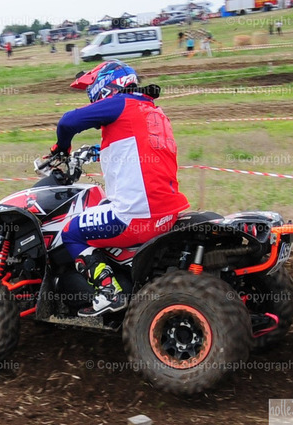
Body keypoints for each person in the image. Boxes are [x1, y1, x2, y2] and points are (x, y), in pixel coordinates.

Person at [52, 60, 190, 317]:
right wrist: (94, 151)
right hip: (168, 211)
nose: (91, 99)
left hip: (135, 215)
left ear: (105, 87)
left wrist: (61, 148)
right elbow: (133, 147)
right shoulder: (153, 112)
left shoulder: (120, 103)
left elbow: (67, 122)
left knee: (71, 232)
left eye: (91, 92)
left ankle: (109, 292)